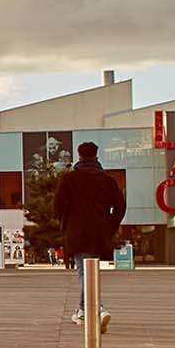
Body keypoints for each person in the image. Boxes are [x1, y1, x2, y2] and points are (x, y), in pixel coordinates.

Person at [54, 141, 124, 334]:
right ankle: (84, 309)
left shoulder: (69, 179)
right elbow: (120, 206)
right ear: (96, 156)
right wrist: (110, 225)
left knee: (83, 270)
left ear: (79, 155)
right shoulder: (107, 180)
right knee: (88, 270)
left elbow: (58, 204)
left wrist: (65, 223)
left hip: (76, 230)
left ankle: (96, 308)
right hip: (99, 232)